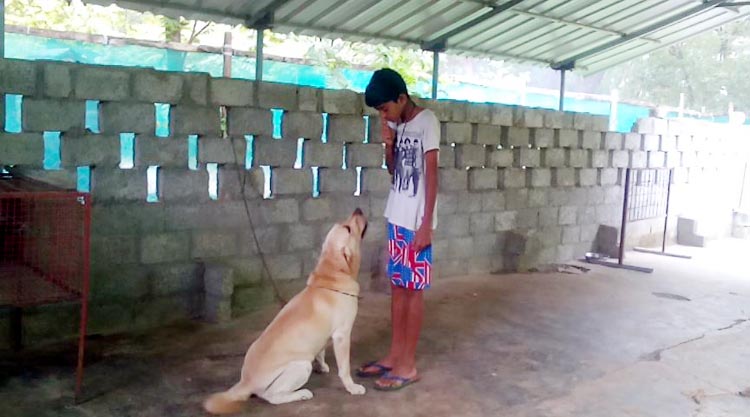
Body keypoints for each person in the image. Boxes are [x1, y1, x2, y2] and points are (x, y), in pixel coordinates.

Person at [356, 68, 439, 391]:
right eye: (379, 111)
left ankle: (408, 365)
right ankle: (394, 356)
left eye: (385, 108)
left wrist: (426, 225)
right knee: (398, 288)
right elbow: (394, 171)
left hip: (417, 221)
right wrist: (388, 144)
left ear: (402, 98)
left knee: (413, 290)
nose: (383, 114)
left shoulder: (427, 122)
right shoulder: (398, 125)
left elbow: (431, 175)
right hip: (397, 216)